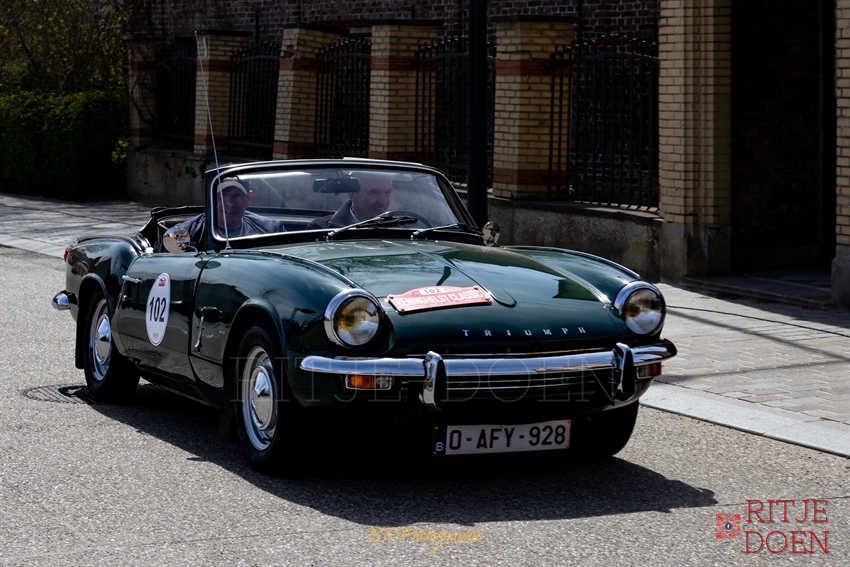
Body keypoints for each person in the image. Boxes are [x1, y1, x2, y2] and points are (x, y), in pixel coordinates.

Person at [173, 178, 285, 244]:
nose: (230, 203)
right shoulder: (187, 233)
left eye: (237, 196)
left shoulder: (271, 230)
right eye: (223, 195)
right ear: (212, 199)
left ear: (248, 199)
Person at [307, 175, 394, 229]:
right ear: (352, 195)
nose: (383, 201)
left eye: (388, 193)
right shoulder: (321, 228)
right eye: (374, 192)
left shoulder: (400, 228)